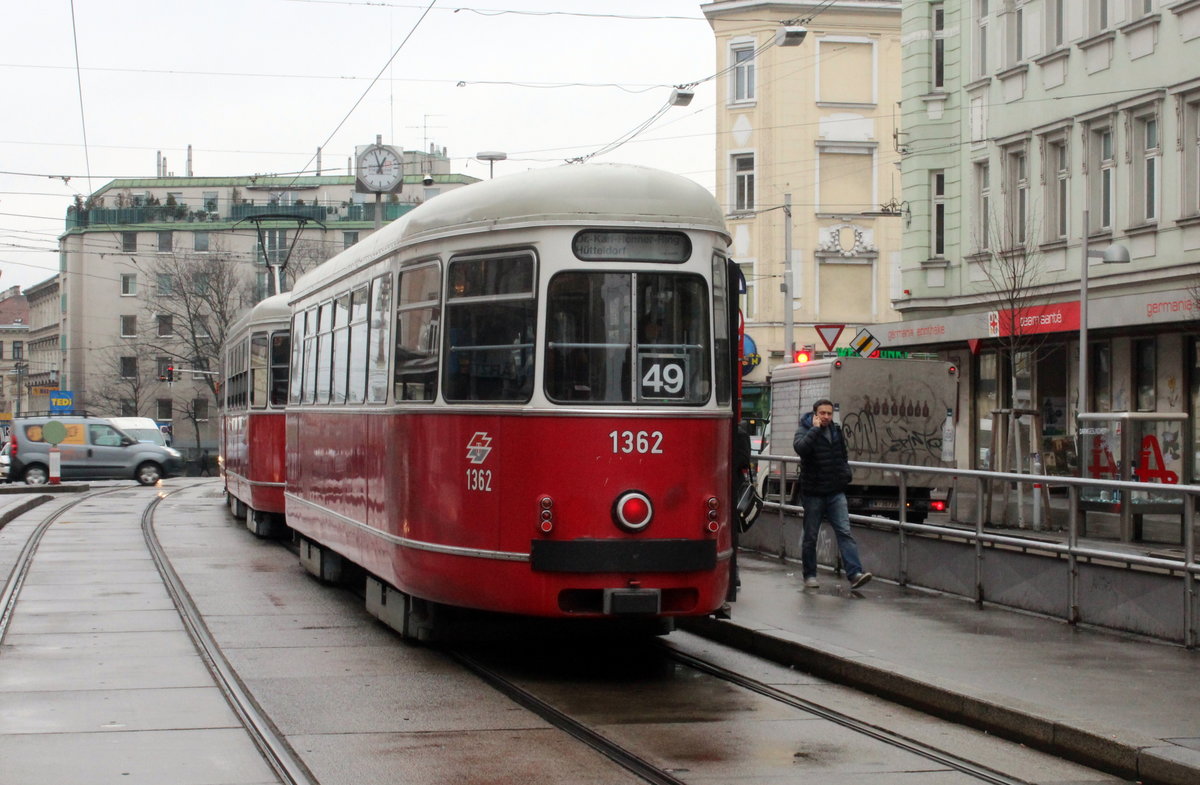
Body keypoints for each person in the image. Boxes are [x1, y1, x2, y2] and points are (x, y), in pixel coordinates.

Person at [792, 398, 872, 590]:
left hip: (835, 492)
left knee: (844, 532)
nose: (826, 417)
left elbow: (842, 455)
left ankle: (855, 574)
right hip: (813, 493)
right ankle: (810, 575)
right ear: (815, 414)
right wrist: (815, 430)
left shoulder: (836, 431)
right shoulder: (805, 429)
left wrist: (845, 475)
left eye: (829, 413)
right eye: (823, 413)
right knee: (811, 536)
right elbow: (801, 449)